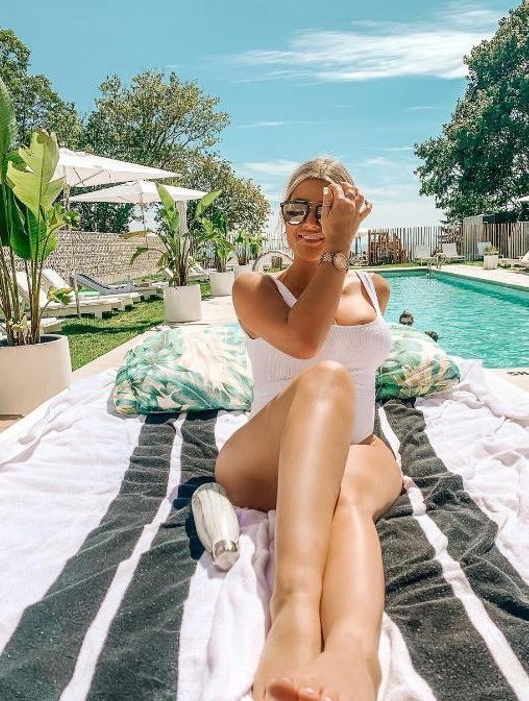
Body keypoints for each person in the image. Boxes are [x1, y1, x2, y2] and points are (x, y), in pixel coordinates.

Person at [215, 157, 393, 701]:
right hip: (264, 460)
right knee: (327, 380)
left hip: (358, 451)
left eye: (328, 209)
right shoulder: (253, 288)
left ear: (352, 211)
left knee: (345, 499)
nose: (312, 221)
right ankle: (291, 616)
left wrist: (343, 253)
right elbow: (305, 342)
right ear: (283, 217)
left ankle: (351, 659)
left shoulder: (374, 290)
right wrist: (339, 247)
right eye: (300, 208)